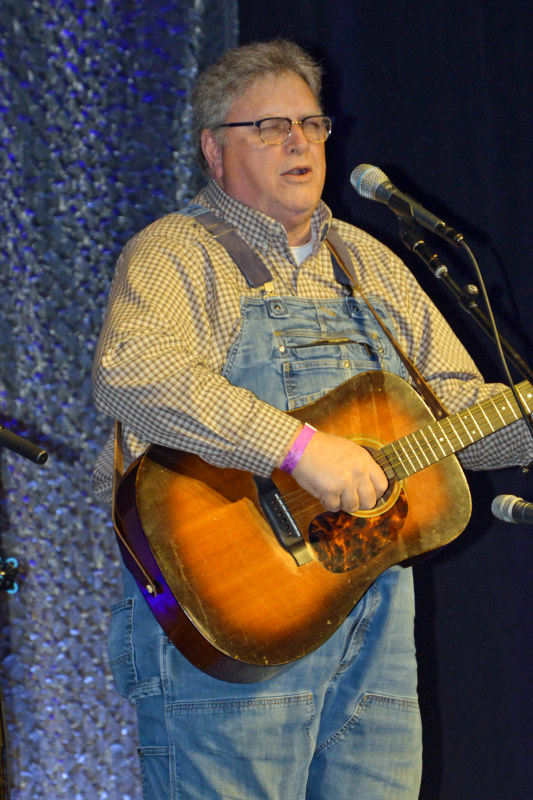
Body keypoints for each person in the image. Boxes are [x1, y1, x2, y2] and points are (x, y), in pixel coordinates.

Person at [92, 39, 533, 800]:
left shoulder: (369, 260)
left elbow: (461, 406)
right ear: (212, 151)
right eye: (269, 126)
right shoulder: (176, 252)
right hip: (233, 618)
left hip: (374, 618)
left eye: (311, 122)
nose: (299, 141)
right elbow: (134, 374)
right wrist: (298, 447)